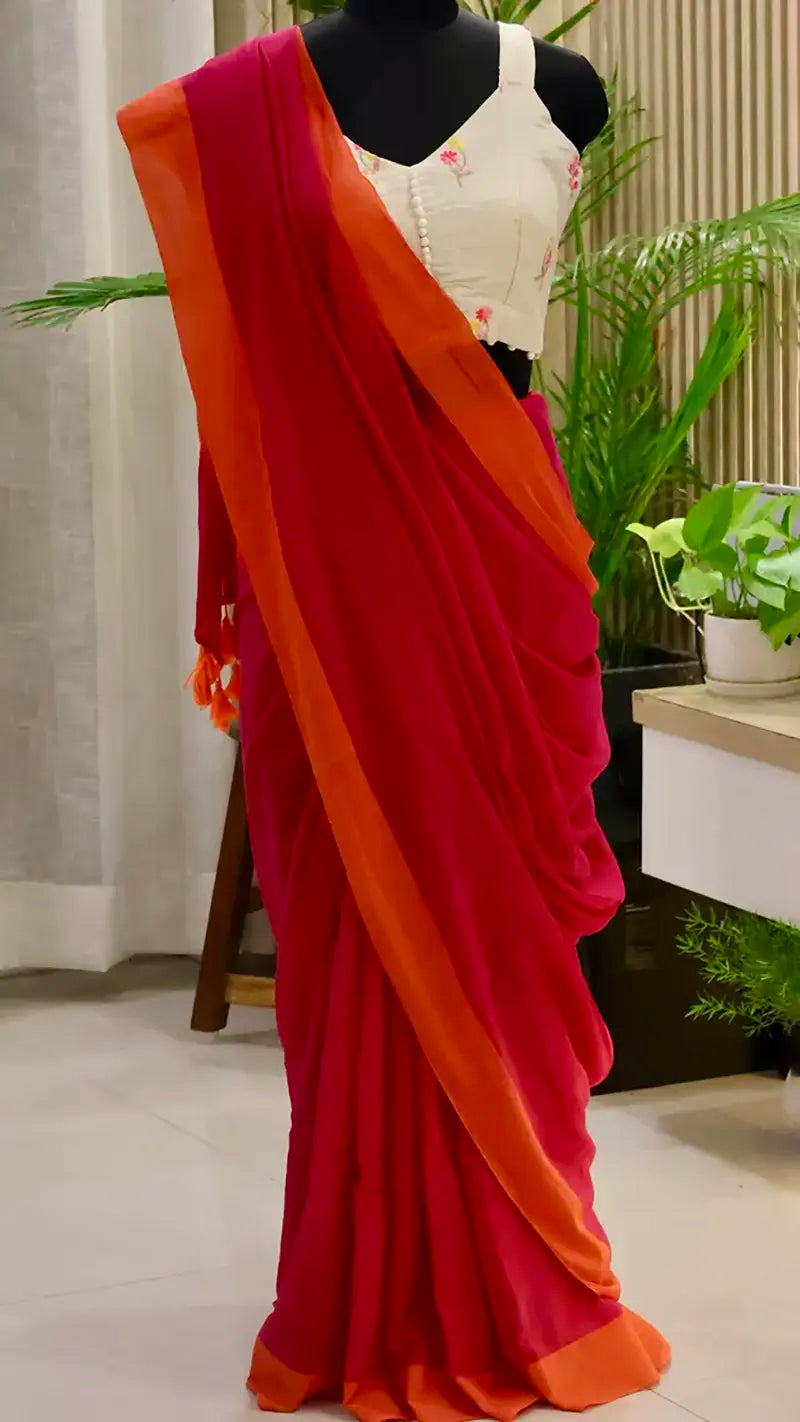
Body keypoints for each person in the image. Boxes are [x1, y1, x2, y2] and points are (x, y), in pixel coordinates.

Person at [118, 5, 670, 1416]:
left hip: (504, 546)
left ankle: (529, 1261)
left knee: (505, 922)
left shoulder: (561, 87)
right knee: (357, 932)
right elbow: (244, 363)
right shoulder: (250, 102)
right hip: (336, 574)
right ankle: (366, 1281)